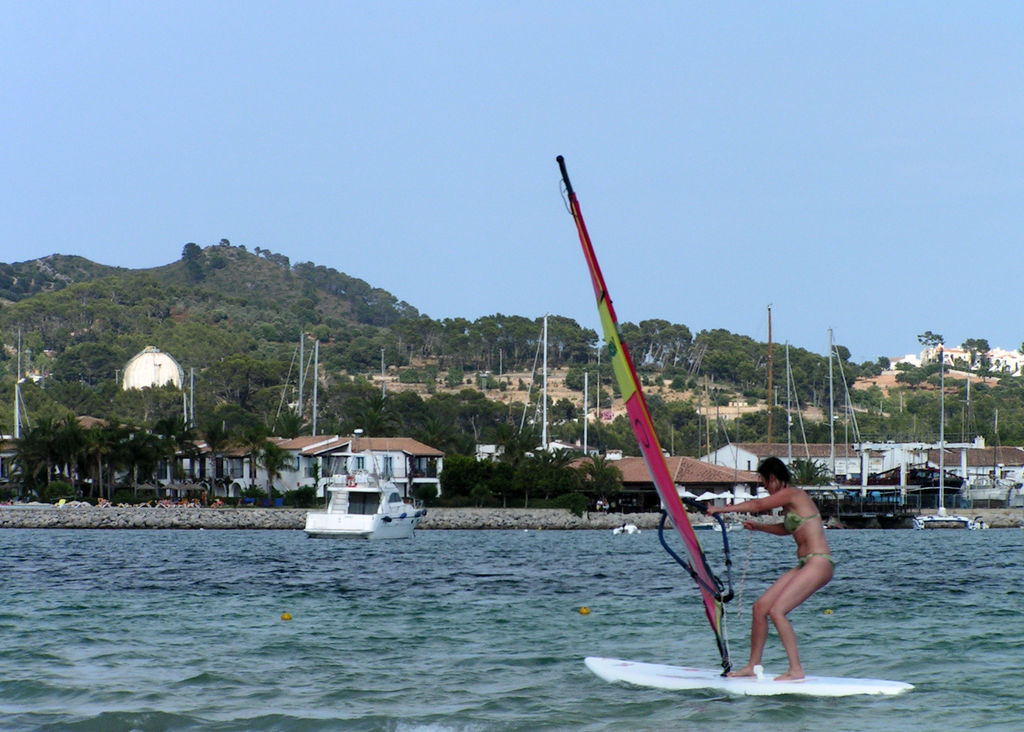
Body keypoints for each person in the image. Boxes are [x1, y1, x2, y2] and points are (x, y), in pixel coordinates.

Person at [706, 456, 833, 681]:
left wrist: (721, 510)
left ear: (773, 478)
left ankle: (796, 669)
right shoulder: (789, 503)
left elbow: (757, 505)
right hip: (806, 564)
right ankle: (752, 665)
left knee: (777, 611)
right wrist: (758, 527)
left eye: (764, 483)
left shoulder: (793, 494)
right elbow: (787, 529)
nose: (764, 488)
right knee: (760, 607)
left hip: (819, 562)